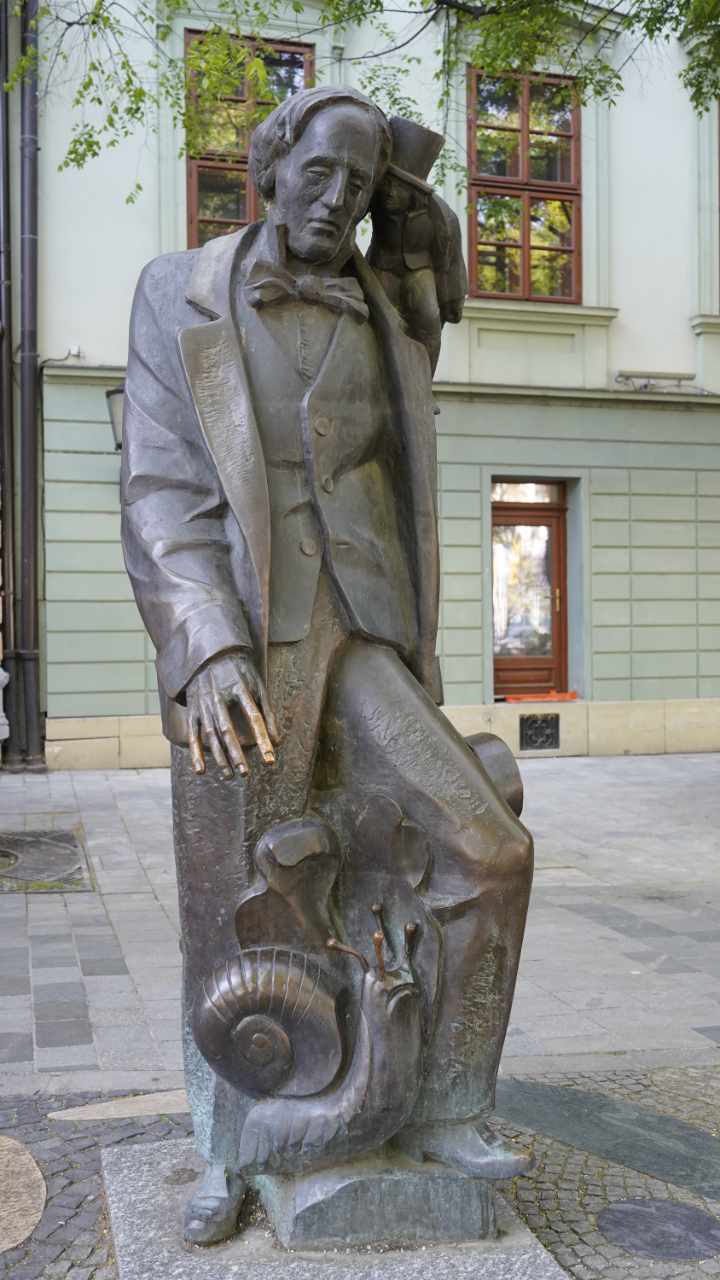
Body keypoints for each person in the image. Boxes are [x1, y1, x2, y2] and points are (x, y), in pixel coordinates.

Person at [121, 85, 533, 1246]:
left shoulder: (392, 313)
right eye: (318, 174)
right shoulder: (178, 292)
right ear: (268, 165)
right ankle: (233, 1147)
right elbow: (159, 489)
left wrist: (397, 181)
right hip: (245, 647)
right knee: (233, 917)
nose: (337, 201)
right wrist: (200, 647)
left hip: (365, 632)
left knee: (487, 849)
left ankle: (449, 1100)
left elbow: (427, 248)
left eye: (358, 187)